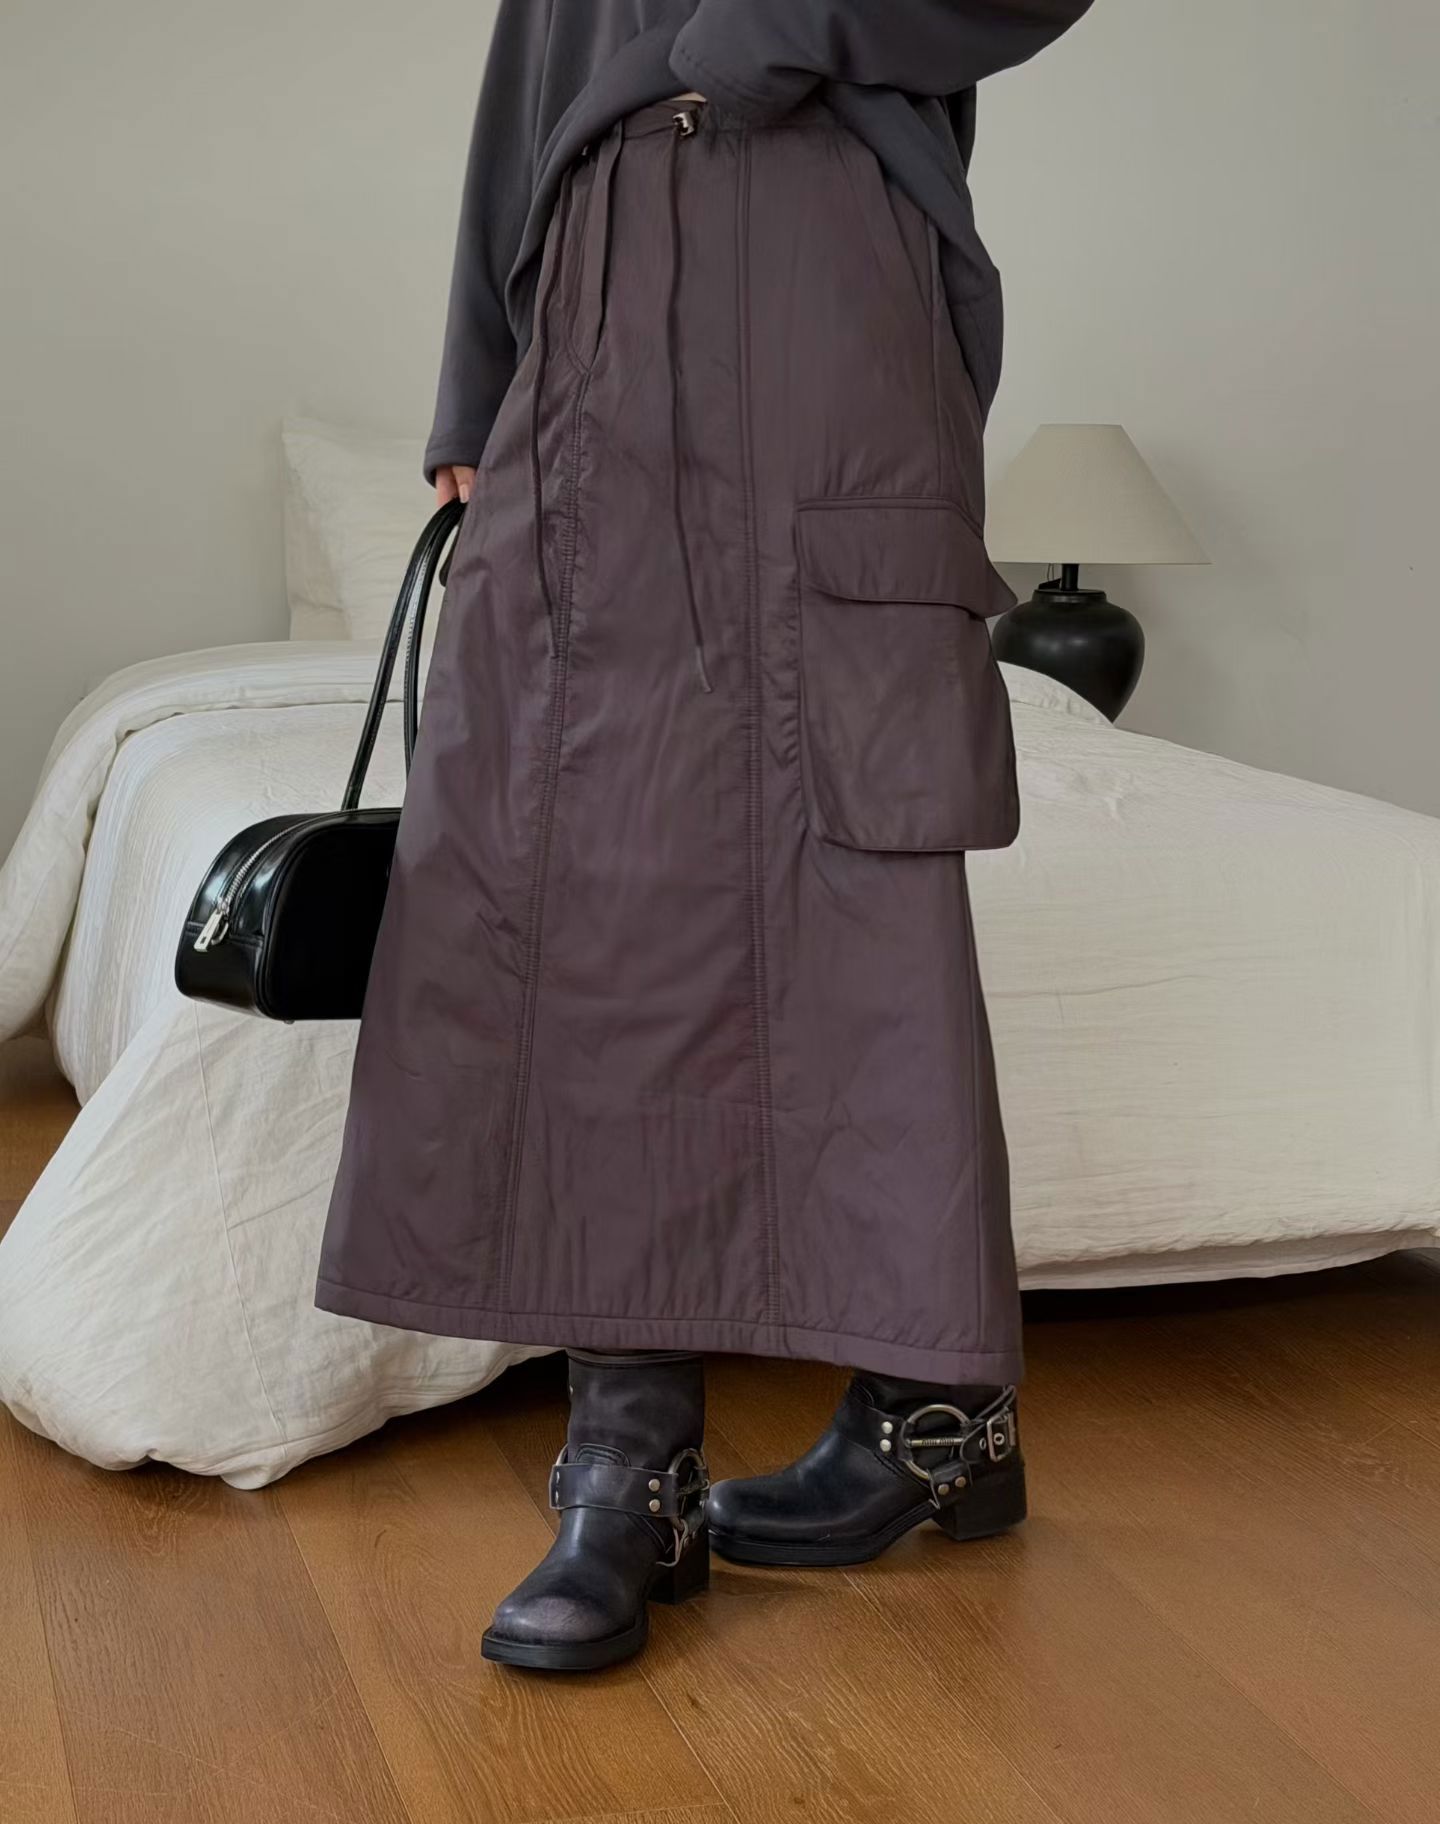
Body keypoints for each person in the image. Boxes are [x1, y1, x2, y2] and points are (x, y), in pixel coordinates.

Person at [317, 0, 1094, 1673]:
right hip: (591, 320)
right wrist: (475, 389)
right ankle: (628, 1468)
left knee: (864, 880)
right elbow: (534, 67)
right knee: (589, 886)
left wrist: (761, 26)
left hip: (837, 293)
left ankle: (934, 1408)